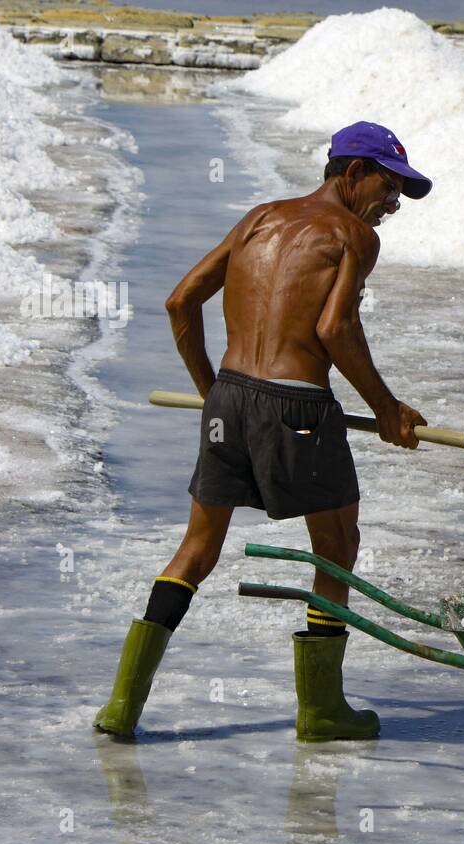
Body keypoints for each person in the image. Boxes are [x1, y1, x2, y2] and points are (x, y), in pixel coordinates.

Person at [94, 121, 430, 741]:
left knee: (196, 550)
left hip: (231, 396)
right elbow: (335, 329)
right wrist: (386, 408)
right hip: (298, 406)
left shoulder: (260, 217)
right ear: (353, 172)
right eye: (390, 186)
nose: (393, 204)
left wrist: (212, 394)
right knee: (336, 547)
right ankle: (323, 711)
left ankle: (121, 707)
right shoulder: (350, 232)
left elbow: (180, 301)